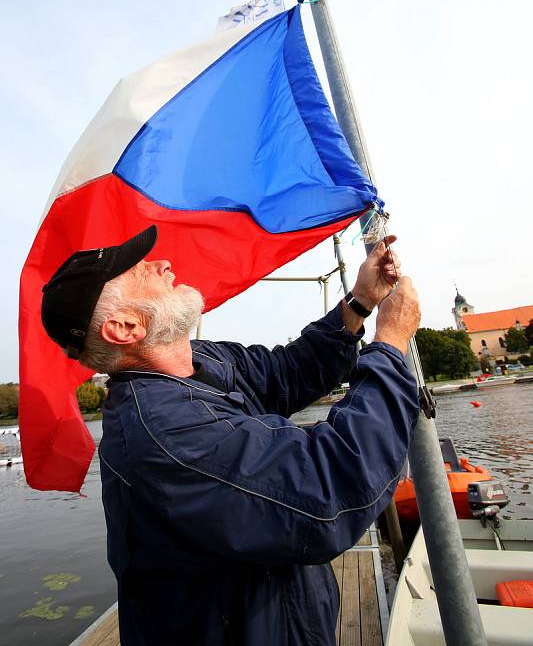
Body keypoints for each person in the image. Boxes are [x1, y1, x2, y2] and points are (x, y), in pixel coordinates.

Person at [41, 224, 421, 646]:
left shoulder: (201, 359)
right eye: (140, 270)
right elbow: (328, 487)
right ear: (125, 327)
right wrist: (390, 343)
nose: (163, 263)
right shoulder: (165, 436)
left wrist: (360, 301)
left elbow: (287, 371)